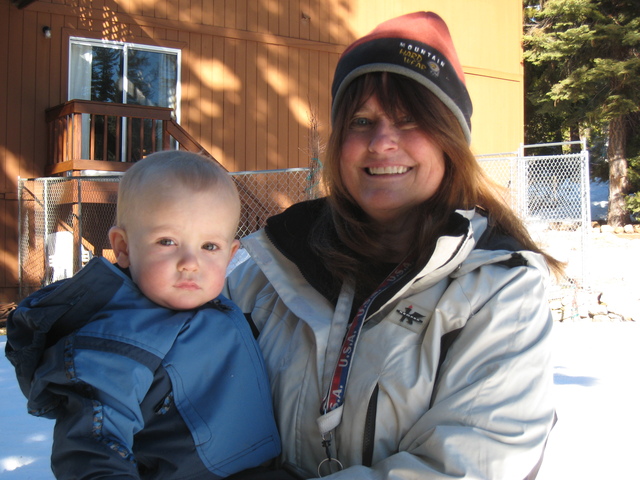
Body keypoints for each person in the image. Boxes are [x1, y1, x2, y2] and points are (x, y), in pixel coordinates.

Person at [224, 11, 561, 480]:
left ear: (449, 140)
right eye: (361, 120)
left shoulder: (499, 290)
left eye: (409, 120)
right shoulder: (274, 263)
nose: (382, 142)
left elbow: (468, 465)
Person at [6, 151, 281, 479]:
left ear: (231, 254)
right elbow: (92, 444)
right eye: (168, 241)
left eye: (209, 246)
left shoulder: (217, 308)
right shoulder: (119, 339)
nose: (190, 263)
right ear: (123, 247)